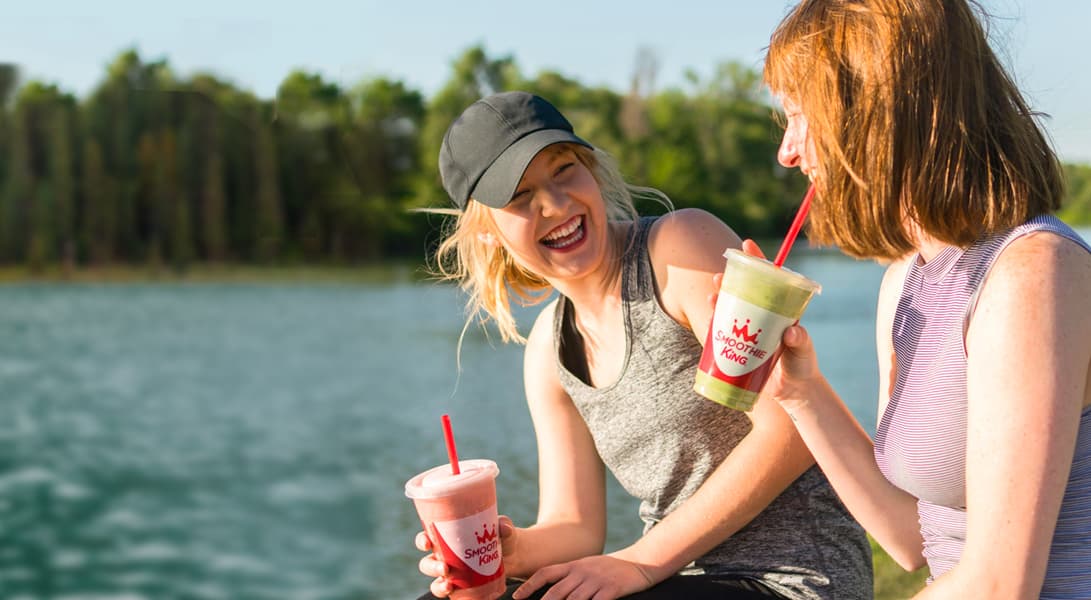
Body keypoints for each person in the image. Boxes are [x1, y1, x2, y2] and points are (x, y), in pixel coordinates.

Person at [413, 90, 872, 600]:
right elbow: (576, 526)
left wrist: (641, 561)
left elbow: (790, 427)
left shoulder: (678, 251)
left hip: (791, 580)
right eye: (521, 198)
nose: (556, 203)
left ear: (591, 168)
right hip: (673, 579)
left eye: (564, 170)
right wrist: (511, 551)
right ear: (487, 233)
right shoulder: (549, 347)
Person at [757, 0, 1091, 598]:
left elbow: (999, 584)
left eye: (801, 114)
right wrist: (800, 393)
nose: (787, 150)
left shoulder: (1034, 270)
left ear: (879, 113)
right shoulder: (905, 282)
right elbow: (913, 539)